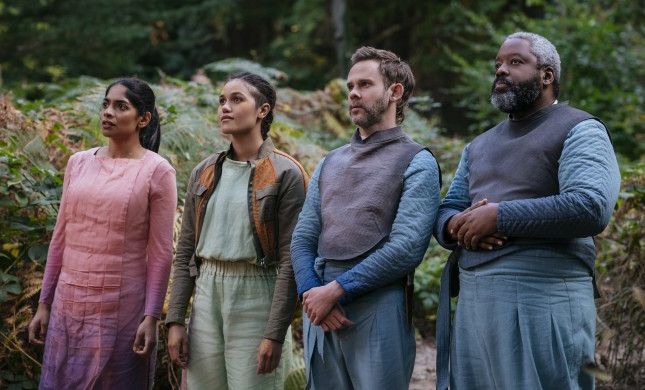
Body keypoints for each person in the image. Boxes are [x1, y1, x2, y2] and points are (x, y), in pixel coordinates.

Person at [433, 32, 621, 390]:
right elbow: (449, 209)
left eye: (515, 62)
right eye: (498, 65)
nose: (501, 70)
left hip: (544, 297)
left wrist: (498, 216)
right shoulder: (479, 145)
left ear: (547, 75)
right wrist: (458, 224)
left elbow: (591, 205)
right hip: (474, 301)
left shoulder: (580, 129)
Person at [290, 46, 442, 389]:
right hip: (320, 308)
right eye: (350, 86)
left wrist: (337, 291)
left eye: (365, 84)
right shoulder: (330, 161)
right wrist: (311, 292)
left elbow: (406, 248)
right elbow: (303, 236)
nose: (353, 93)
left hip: (378, 306)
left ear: (395, 92)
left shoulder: (417, 161)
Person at [28, 78, 177, 389]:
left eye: (121, 106)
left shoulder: (157, 170)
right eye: (106, 104)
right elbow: (61, 238)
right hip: (69, 302)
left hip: (121, 307)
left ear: (143, 118)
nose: (108, 112)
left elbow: (161, 253)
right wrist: (44, 303)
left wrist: (151, 317)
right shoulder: (78, 163)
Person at [165, 71, 308, 389]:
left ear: (262, 110)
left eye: (236, 99)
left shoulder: (286, 173)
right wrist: (175, 319)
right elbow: (186, 250)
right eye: (222, 101)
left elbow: (291, 260)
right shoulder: (204, 171)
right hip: (206, 296)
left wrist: (275, 333)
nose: (225, 107)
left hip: (257, 297)